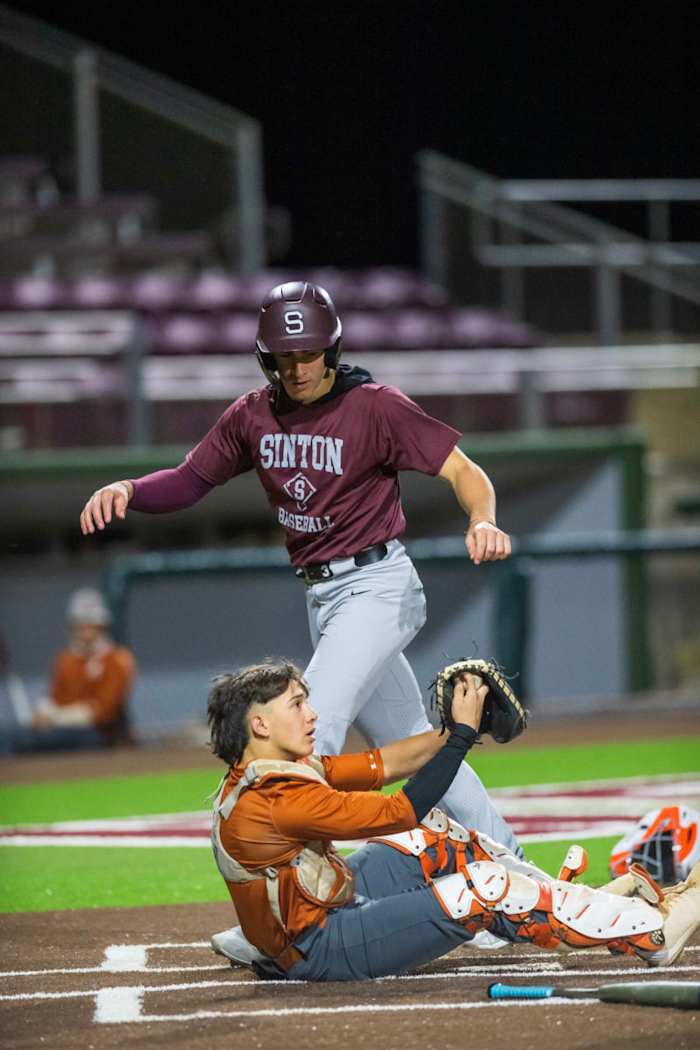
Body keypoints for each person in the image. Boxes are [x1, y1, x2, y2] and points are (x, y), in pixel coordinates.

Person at [79, 279, 516, 958]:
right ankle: (507, 871)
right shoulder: (253, 416)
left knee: (306, 734)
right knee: (414, 736)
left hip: (378, 584)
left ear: (332, 347)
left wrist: (482, 518)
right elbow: (192, 479)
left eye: (310, 351)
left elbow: (465, 471)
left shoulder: (374, 406)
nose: (299, 365)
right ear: (266, 359)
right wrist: (130, 490)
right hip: (325, 597)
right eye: (285, 355)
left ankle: (296, 909)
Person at [207, 658, 700, 981]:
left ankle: (570, 902)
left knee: (434, 839)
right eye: (298, 704)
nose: (312, 714)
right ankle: (651, 933)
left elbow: (388, 764)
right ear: (260, 724)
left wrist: (450, 731)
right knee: (482, 887)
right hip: (319, 946)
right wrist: (463, 736)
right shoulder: (276, 799)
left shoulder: (271, 771)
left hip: (317, 909)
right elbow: (398, 809)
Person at [1, 588, 135, 754]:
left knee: (22, 740)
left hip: (97, 733)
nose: (85, 632)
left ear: (102, 627)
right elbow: (55, 697)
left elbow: (103, 712)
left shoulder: (117, 659)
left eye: (90, 625)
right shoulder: (66, 659)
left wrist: (55, 718)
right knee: (10, 735)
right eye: (80, 625)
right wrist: (42, 713)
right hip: (61, 728)